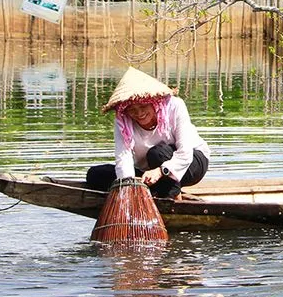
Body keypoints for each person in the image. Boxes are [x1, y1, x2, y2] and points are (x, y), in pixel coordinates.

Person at [86, 67, 210, 199]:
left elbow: (185, 153)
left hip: (191, 163)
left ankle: (173, 195)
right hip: (149, 171)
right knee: (95, 175)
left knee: (157, 153)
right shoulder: (122, 121)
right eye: (132, 109)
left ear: (154, 102)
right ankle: (154, 190)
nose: (139, 114)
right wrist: (127, 186)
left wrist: (161, 171)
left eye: (143, 106)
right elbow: (123, 157)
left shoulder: (175, 106)